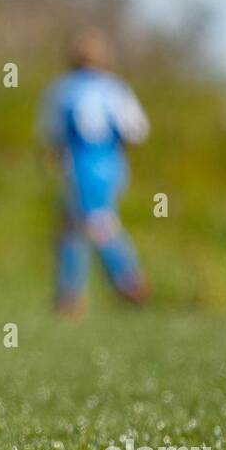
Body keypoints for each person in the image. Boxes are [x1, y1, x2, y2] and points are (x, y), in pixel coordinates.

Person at [38, 30, 150, 316]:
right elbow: (136, 131)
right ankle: (70, 295)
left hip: (81, 164)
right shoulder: (116, 88)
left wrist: (53, 162)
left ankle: (128, 279)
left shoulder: (64, 90)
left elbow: (52, 134)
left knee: (96, 222)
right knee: (71, 226)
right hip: (111, 163)